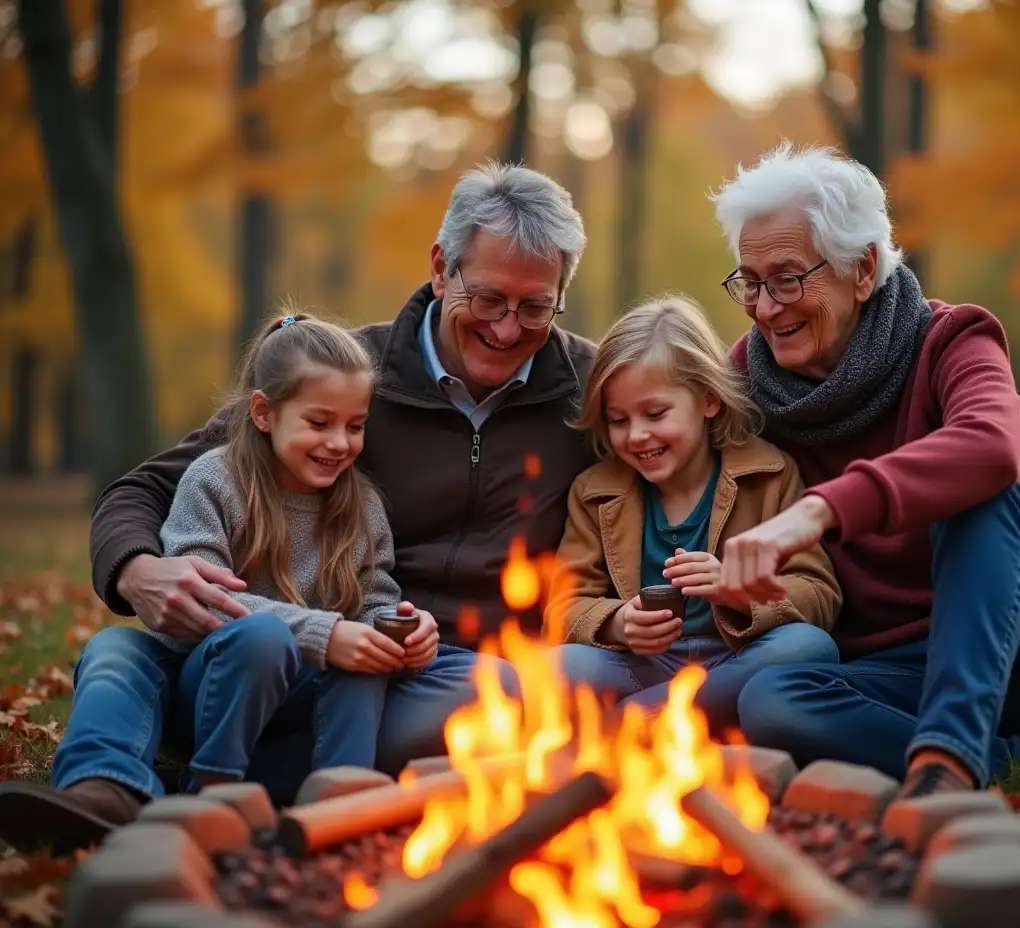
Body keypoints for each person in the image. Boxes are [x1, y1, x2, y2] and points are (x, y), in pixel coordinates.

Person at [0, 162, 596, 853]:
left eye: (536, 306)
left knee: (508, 696)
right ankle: (104, 791)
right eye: (490, 298)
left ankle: (239, 791)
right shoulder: (342, 376)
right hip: (256, 649)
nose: (507, 327)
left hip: (413, 674)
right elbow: (144, 489)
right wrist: (137, 570)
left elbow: (692, 438)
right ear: (442, 268)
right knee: (119, 653)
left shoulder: (590, 390)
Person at [708, 143, 1020, 798]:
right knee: (773, 700)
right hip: (896, 670)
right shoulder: (747, 380)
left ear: (862, 268)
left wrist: (818, 511)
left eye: (787, 278)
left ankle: (947, 766)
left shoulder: (952, 339)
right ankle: (1002, 757)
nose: (765, 307)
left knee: (981, 491)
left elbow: (989, 448)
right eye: (749, 282)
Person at [157, 311, 439, 794]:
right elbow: (201, 604)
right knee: (262, 638)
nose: (339, 443)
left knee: (366, 658)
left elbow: (374, 601)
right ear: (264, 412)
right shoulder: (214, 481)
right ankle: (212, 793)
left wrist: (402, 628)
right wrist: (325, 635)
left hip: (307, 691)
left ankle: (339, 795)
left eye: (355, 426)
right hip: (213, 684)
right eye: (319, 422)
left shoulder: (361, 503)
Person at [547, 295, 842, 732]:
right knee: (556, 667)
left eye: (655, 413)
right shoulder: (595, 492)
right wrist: (618, 624)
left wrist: (739, 591)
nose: (637, 435)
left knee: (809, 647)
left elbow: (819, 594)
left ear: (708, 400)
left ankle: (638, 724)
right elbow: (563, 607)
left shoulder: (768, 474)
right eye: (619, 420)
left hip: (736, 658)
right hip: (639, 666)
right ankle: (684, 718)